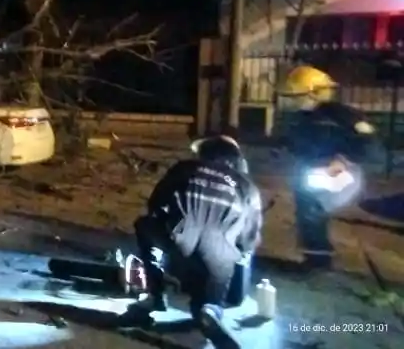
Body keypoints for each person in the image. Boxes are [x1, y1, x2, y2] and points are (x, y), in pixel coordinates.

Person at [126, 135, 263, 347]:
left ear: (206, 153)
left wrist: (175, 223)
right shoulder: (248, 188)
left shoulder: (185, 168)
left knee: (143, 225)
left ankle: (156, 294)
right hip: (220, 258)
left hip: (180, 241)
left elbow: (155, 204)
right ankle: (212, 309)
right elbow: (249, 241)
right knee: (206, 300)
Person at [276, 65, 386, 270]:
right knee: (306, 210)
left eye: (299, 96)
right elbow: (294, 143)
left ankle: (319, 261)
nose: (295, 101)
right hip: (314, 172)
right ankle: (315, 257)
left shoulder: (344, 115)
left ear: (316, 92)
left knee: (313, 210)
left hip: (341, 173)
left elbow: (370, 144)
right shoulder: (302, 119)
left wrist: (343, 161)